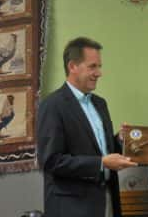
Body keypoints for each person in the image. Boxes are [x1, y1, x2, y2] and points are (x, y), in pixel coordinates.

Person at [37, 37, 137, 217]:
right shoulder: (52, 105)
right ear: (72, 66)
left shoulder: (100, 104)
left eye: (99, 66)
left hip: (106, 202)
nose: (99, 73)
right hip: (72, 209)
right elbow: (51, 161)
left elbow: (102, 150)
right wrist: (101, 163)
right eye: (93, 66)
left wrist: (120, 139)